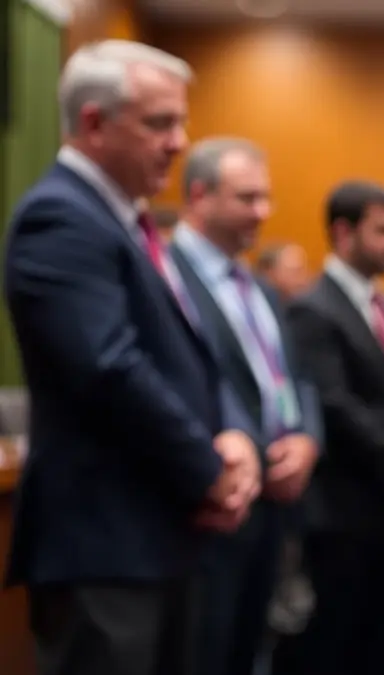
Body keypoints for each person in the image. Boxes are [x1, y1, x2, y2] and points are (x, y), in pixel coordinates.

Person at [3, 40, 259, 675]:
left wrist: (232, 434)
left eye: (181, 121)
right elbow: (108, 367)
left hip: (158, 534)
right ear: (93, 122)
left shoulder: (126, 220)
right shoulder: (59, 218)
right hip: (102, 546)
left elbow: (192, 353)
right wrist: (208, 468)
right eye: (160, 122)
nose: (180, 142)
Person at [273, 180, 384, 675]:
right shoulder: (313, 307)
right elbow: (333, 403)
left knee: (382, 646)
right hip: (341, 513)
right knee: (331, 649)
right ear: (343, 233)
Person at [168, 138, 322, 675]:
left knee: (248, 652)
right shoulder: (167, 277)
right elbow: (194, 383)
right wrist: (255, 452)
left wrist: (306, 438)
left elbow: (296, 376)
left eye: (266, 198)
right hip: (217, 498)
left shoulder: (258, 286)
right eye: (247, 198)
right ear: (199, 196)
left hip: (276, 503)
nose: (262, 212)